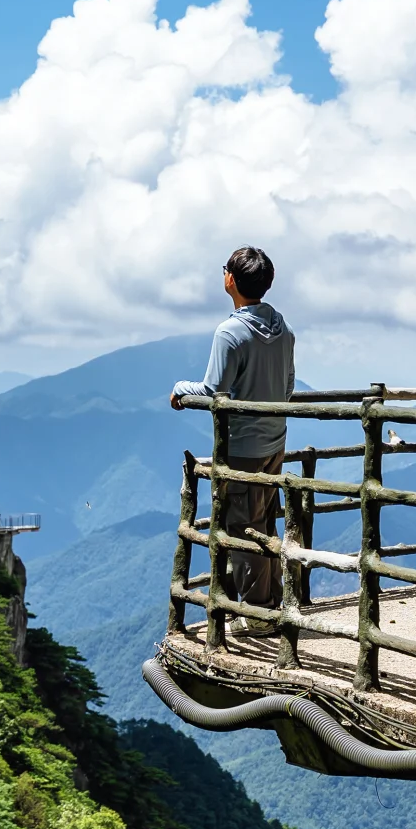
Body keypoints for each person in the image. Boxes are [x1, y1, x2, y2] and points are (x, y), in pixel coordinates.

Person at [170, 246, 295, 636]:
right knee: (264, 521)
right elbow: (288, 386)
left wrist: (179, 388)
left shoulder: (230, 332)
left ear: (231, 280)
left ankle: (257, 616)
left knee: (242, 529)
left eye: (225, 269)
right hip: (275, 440)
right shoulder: (283, 328)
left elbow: (212, 389)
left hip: (241, 446)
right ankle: (270, 603)